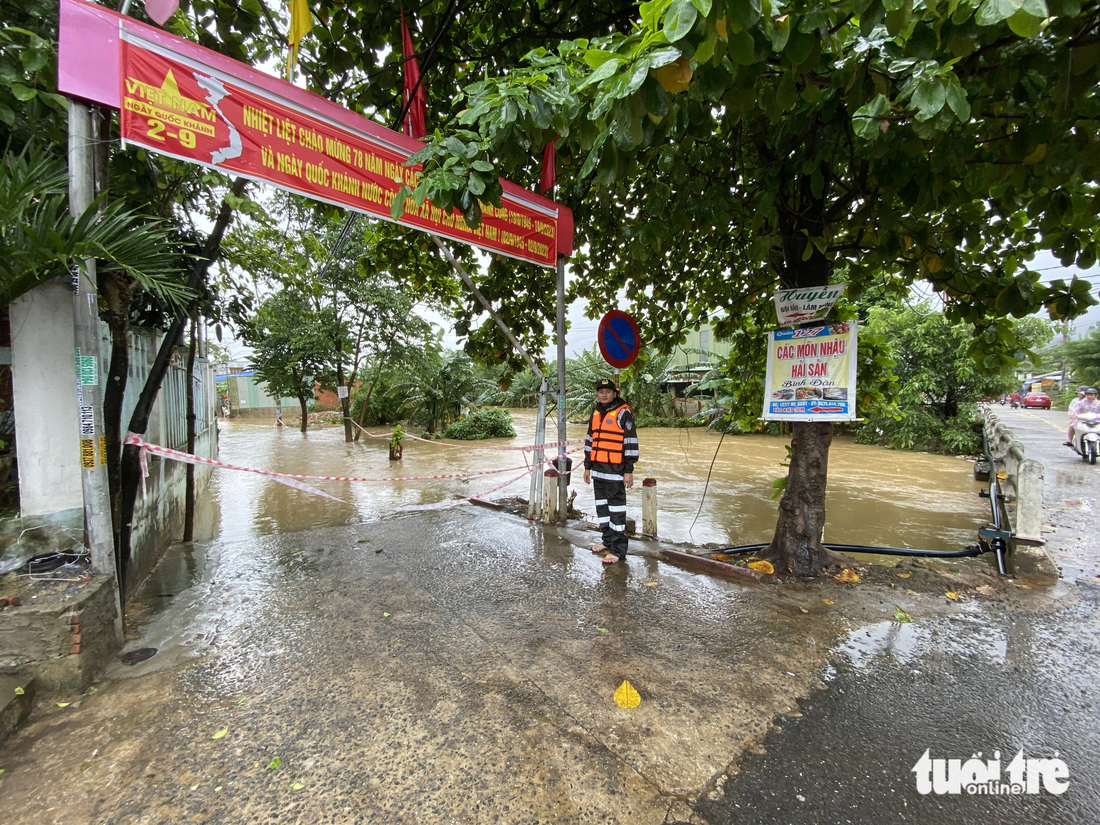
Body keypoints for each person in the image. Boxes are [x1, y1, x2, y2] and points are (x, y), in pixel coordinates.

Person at [583, 377, 639, 565]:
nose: (604, 394)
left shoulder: (623, 413)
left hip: (616, 471)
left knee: (616, 511)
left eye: (608, 391)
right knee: (603, 510)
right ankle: (607, 541)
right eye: (601, 392)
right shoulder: (596, 413)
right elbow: (590, 440)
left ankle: (618, 549)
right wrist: (587, 467)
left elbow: (630, 442)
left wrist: (628, 469)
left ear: (615, 394)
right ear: (598, 394)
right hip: (598, 471)